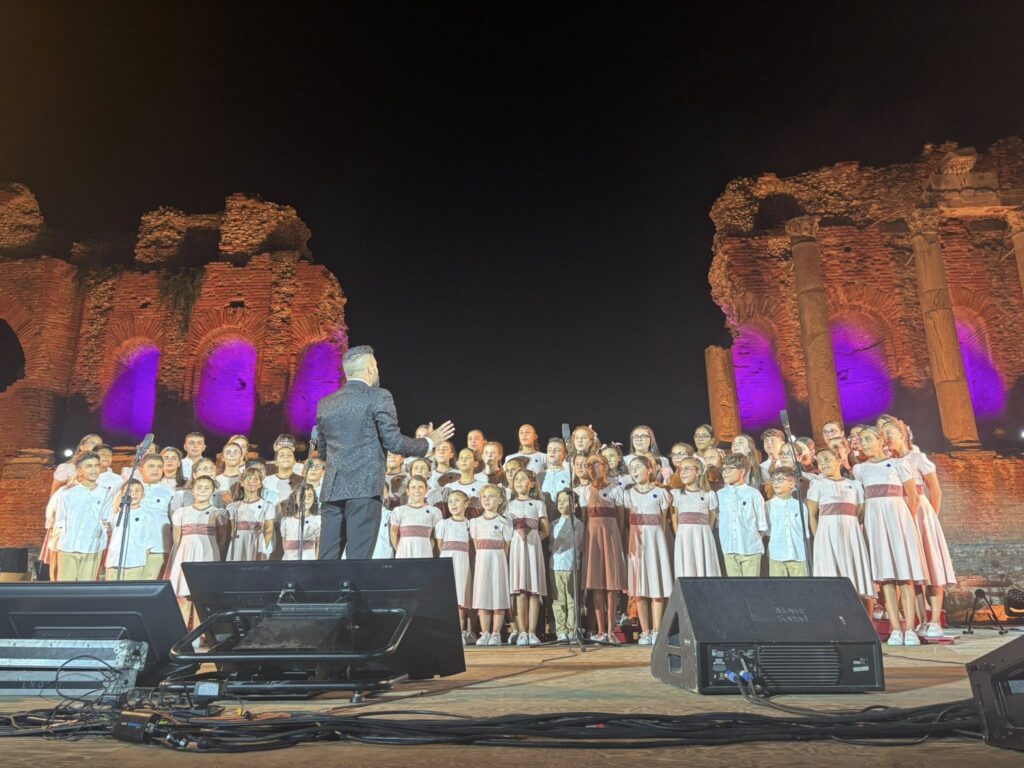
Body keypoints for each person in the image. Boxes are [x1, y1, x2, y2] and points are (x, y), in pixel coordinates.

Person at [316, 346, 454, 560]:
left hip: (332, 491)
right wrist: (429, 441)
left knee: (327, 560)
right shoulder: (378, 396)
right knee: (358, 560)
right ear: (370, 368)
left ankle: (323, 594)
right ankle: (351, 594)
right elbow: (394, 442)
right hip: (365, 488)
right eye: (376, 366)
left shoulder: (325, 404)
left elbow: (323, 451)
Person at [853, 427, 926, 647]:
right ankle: (895, 628)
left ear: (880, 440)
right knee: (886, 577)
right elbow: (862, 503)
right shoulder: (859, 470)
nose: (863, 443)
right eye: (860, 440)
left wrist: (905, 525)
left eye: (867, 439)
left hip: (899, 523)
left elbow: (913, 498)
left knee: (905, 576)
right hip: (875, 525)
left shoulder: (898, 464)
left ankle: (910, 628)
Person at [883, 419, 954, 639]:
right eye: (882, 434)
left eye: (888, 433)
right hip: (899, 513)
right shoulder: (887, 463)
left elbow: (936, 491)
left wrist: (930, 519)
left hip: (920, 513)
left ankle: (934, 620)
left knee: (931, 566)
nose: (885, 438)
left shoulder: (917, 458)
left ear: (902, 434)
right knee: (911, 570)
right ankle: (921, 620)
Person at [807, 448, 875, 614]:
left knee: (855, 575)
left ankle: (864, 623)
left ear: (838, 460)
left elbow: (859, 511)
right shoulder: (818, 484)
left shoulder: (854, 485)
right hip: (826, 536)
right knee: (830, 576)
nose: (823, 464)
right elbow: (812, 514)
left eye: (827, 459)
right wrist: (820, 538)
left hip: (851, 535)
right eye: (820, 461)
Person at [623, 456, 673, 646]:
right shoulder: (628, 494)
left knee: (656, 586)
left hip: (655, 541)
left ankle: (658, 630)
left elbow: (663, 519)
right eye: (632, 468)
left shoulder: (660, 493)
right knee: (639, 588)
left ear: (650, 470)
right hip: (637, 542)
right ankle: (645, 631)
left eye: (638, 467)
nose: (634, 471)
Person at [577, 454, 626, 644]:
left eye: (595, 464)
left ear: (604, 466)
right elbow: (584, 518)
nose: (591, 468)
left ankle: (611, 628)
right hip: (592, 538)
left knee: (611, 585)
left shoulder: (616, 489)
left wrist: (619, 540)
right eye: (588, 465)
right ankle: (600, 630)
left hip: (611, 536)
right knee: (596, 583)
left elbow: (621, 519)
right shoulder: (584, 491)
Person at [166, 475, 228, 624]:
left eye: (207, 488)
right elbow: (177, 538)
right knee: (184, 595)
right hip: (186, 554)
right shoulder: (181, 512)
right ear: (192, 490)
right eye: (199, 487)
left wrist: (215, 555)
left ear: (213, 491)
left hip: (208, 554)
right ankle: (183, 635)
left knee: (203, 597)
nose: (202, 491)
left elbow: (222, 538)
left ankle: (199, 636)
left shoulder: (218, 513)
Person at [54, 452, 114, 581]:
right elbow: (60, 520)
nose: (94, 469)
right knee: (65, 587)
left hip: (93, 547)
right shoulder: (67, 492)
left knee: (87, 586)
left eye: (96, 466)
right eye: (89, 466)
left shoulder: (105, 493)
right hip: (68, 546)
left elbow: (106, 519)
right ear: (79, 470)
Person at [506, 470, 549, 647]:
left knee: (533, 591)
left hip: (532, 548)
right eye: (516, 479)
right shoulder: (509, 506)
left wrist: (533, 537)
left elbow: (545, 530)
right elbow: (506, 530)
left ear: (531, 484)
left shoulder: (538, 504)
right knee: (520, 591)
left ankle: (532, 632)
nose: (519, 481)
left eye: (524, 478)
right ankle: (522, 631)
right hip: (516, 547)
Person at [470, 485, 513, 646]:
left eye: (491, 496)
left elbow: (507, 545)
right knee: (483, 595)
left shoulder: (504, 522)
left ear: (500, 500)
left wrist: (500, 558)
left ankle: (496, 633)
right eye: (484, 497)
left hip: (498, 560)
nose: (487, 500)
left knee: (498, 594)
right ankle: (485, 632)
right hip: (482, 560)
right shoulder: (475, 522)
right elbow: (476, 544)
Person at [717, 453, 768, 577]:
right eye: (723, 469)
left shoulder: (753, 494)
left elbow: (761, 525)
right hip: (729, 549)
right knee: (735, 589)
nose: (725, 472)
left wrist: (751, 542)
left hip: (750, 550)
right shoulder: (719, 494)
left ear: (742, 471)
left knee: (751, 589)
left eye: (729, 469)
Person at [670, 457, 721, 577]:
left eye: (687, 469)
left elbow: (711, 519)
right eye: (681, 469)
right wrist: (680, 534)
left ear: (698, 472)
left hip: (703, 535)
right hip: (684, 536)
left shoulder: (709, 495)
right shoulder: (676, 494)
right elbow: (675, 518)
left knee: (704, 563)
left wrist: (704, 534)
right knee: (687, 565)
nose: (683, 472)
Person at [436, 490, 474, 644]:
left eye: (457, 501)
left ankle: (461, 631)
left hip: (463, 562)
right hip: (447, 561)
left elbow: (472, 547)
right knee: (449, 598)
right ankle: (448, 631)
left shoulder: (470, 524)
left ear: (466, 503)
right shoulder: (443, 524)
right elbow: (440, 546)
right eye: (450, 501)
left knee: (462, 598)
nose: (453, 504)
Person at [549, 489, 583, 643]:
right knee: (558, 600)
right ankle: (561, 630)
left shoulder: (578, 524)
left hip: (571, 565)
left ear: (574, 504)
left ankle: (573, 629)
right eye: (560, 501)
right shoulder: (554, 524)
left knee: (572, 599)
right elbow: (551, 545)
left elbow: (580, 545)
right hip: (555, 565)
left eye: (566, 500)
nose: (562, 504)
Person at [765, 467, 811, 577]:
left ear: (792, 483)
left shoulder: (800, 505)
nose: (776, 483)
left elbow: (805, 533)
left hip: (798, 555)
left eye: (780, 480)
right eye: (774, 480)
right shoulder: (768, 505)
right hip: (777, 555)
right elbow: (768, 531)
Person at [226, 467, 275, 561]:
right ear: (242, 483)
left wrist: (262, 549)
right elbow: (233, 530)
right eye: (248, 478)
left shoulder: (266, 506)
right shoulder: (234, 507)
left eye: (256, 479)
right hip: (238, 544)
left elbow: (269, 530)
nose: (252, 481)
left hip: (256, 543)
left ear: (260, 484)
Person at [105, 479, 149, 580]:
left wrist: (140, 560)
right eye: (129, 491)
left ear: (143, 495)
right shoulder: (116, 515)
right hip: (114, 561)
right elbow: (107, 529)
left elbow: (148, 542)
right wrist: (115, 508)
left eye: (137, 490)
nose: (133, 493)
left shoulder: (147, 516)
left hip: (135, 563)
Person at [389, 476, 442, 558]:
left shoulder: (434, 511)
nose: (417, 490)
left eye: (420, 487)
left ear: (426, 490)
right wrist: (400, 550)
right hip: (404, 553)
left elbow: (437, 536)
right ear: (407, 491)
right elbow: (393, 532)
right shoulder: (399, 510)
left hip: (425, 553)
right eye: (413, 487)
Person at [139, 453, 173, 580]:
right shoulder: (131, 490)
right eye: (151, 466)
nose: (156, 470)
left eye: (159, 467)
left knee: (150, 585)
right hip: (133, 546)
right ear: (140, 469)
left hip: (158, 547)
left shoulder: (169, 493)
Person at [280, 485, 322, 560]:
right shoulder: (286, 520)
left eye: (310, 496)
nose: (306, 499)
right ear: (295, 499)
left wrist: (316, 561)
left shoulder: (317, 520)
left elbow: (319, 544)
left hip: (309, 561)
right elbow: (285, 544)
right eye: (302, 496)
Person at [537, 437, 571, 515]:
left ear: (564, 455)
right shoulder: (539, 476)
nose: (552, 452)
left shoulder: (570, 474)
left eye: (557, 450)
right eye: (549, 450)